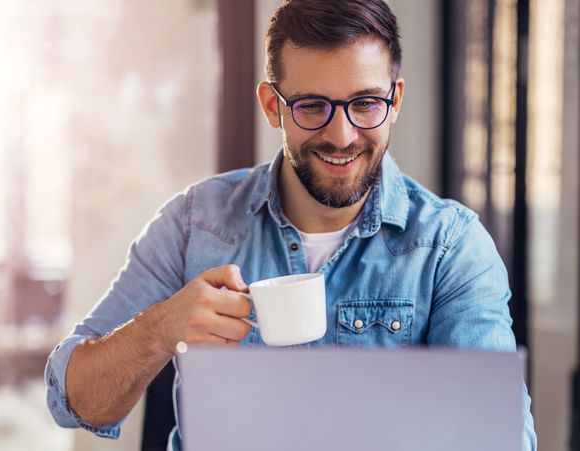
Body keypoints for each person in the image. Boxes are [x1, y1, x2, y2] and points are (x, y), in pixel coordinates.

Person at [45, 0, 537, 449]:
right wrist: (160, 329)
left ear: (395, 100)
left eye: (365, 103)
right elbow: (72, 400)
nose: (341, 136)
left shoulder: (450, 247)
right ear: (271, 105)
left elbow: (500, 439)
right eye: (312, 106)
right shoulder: (193, 224)